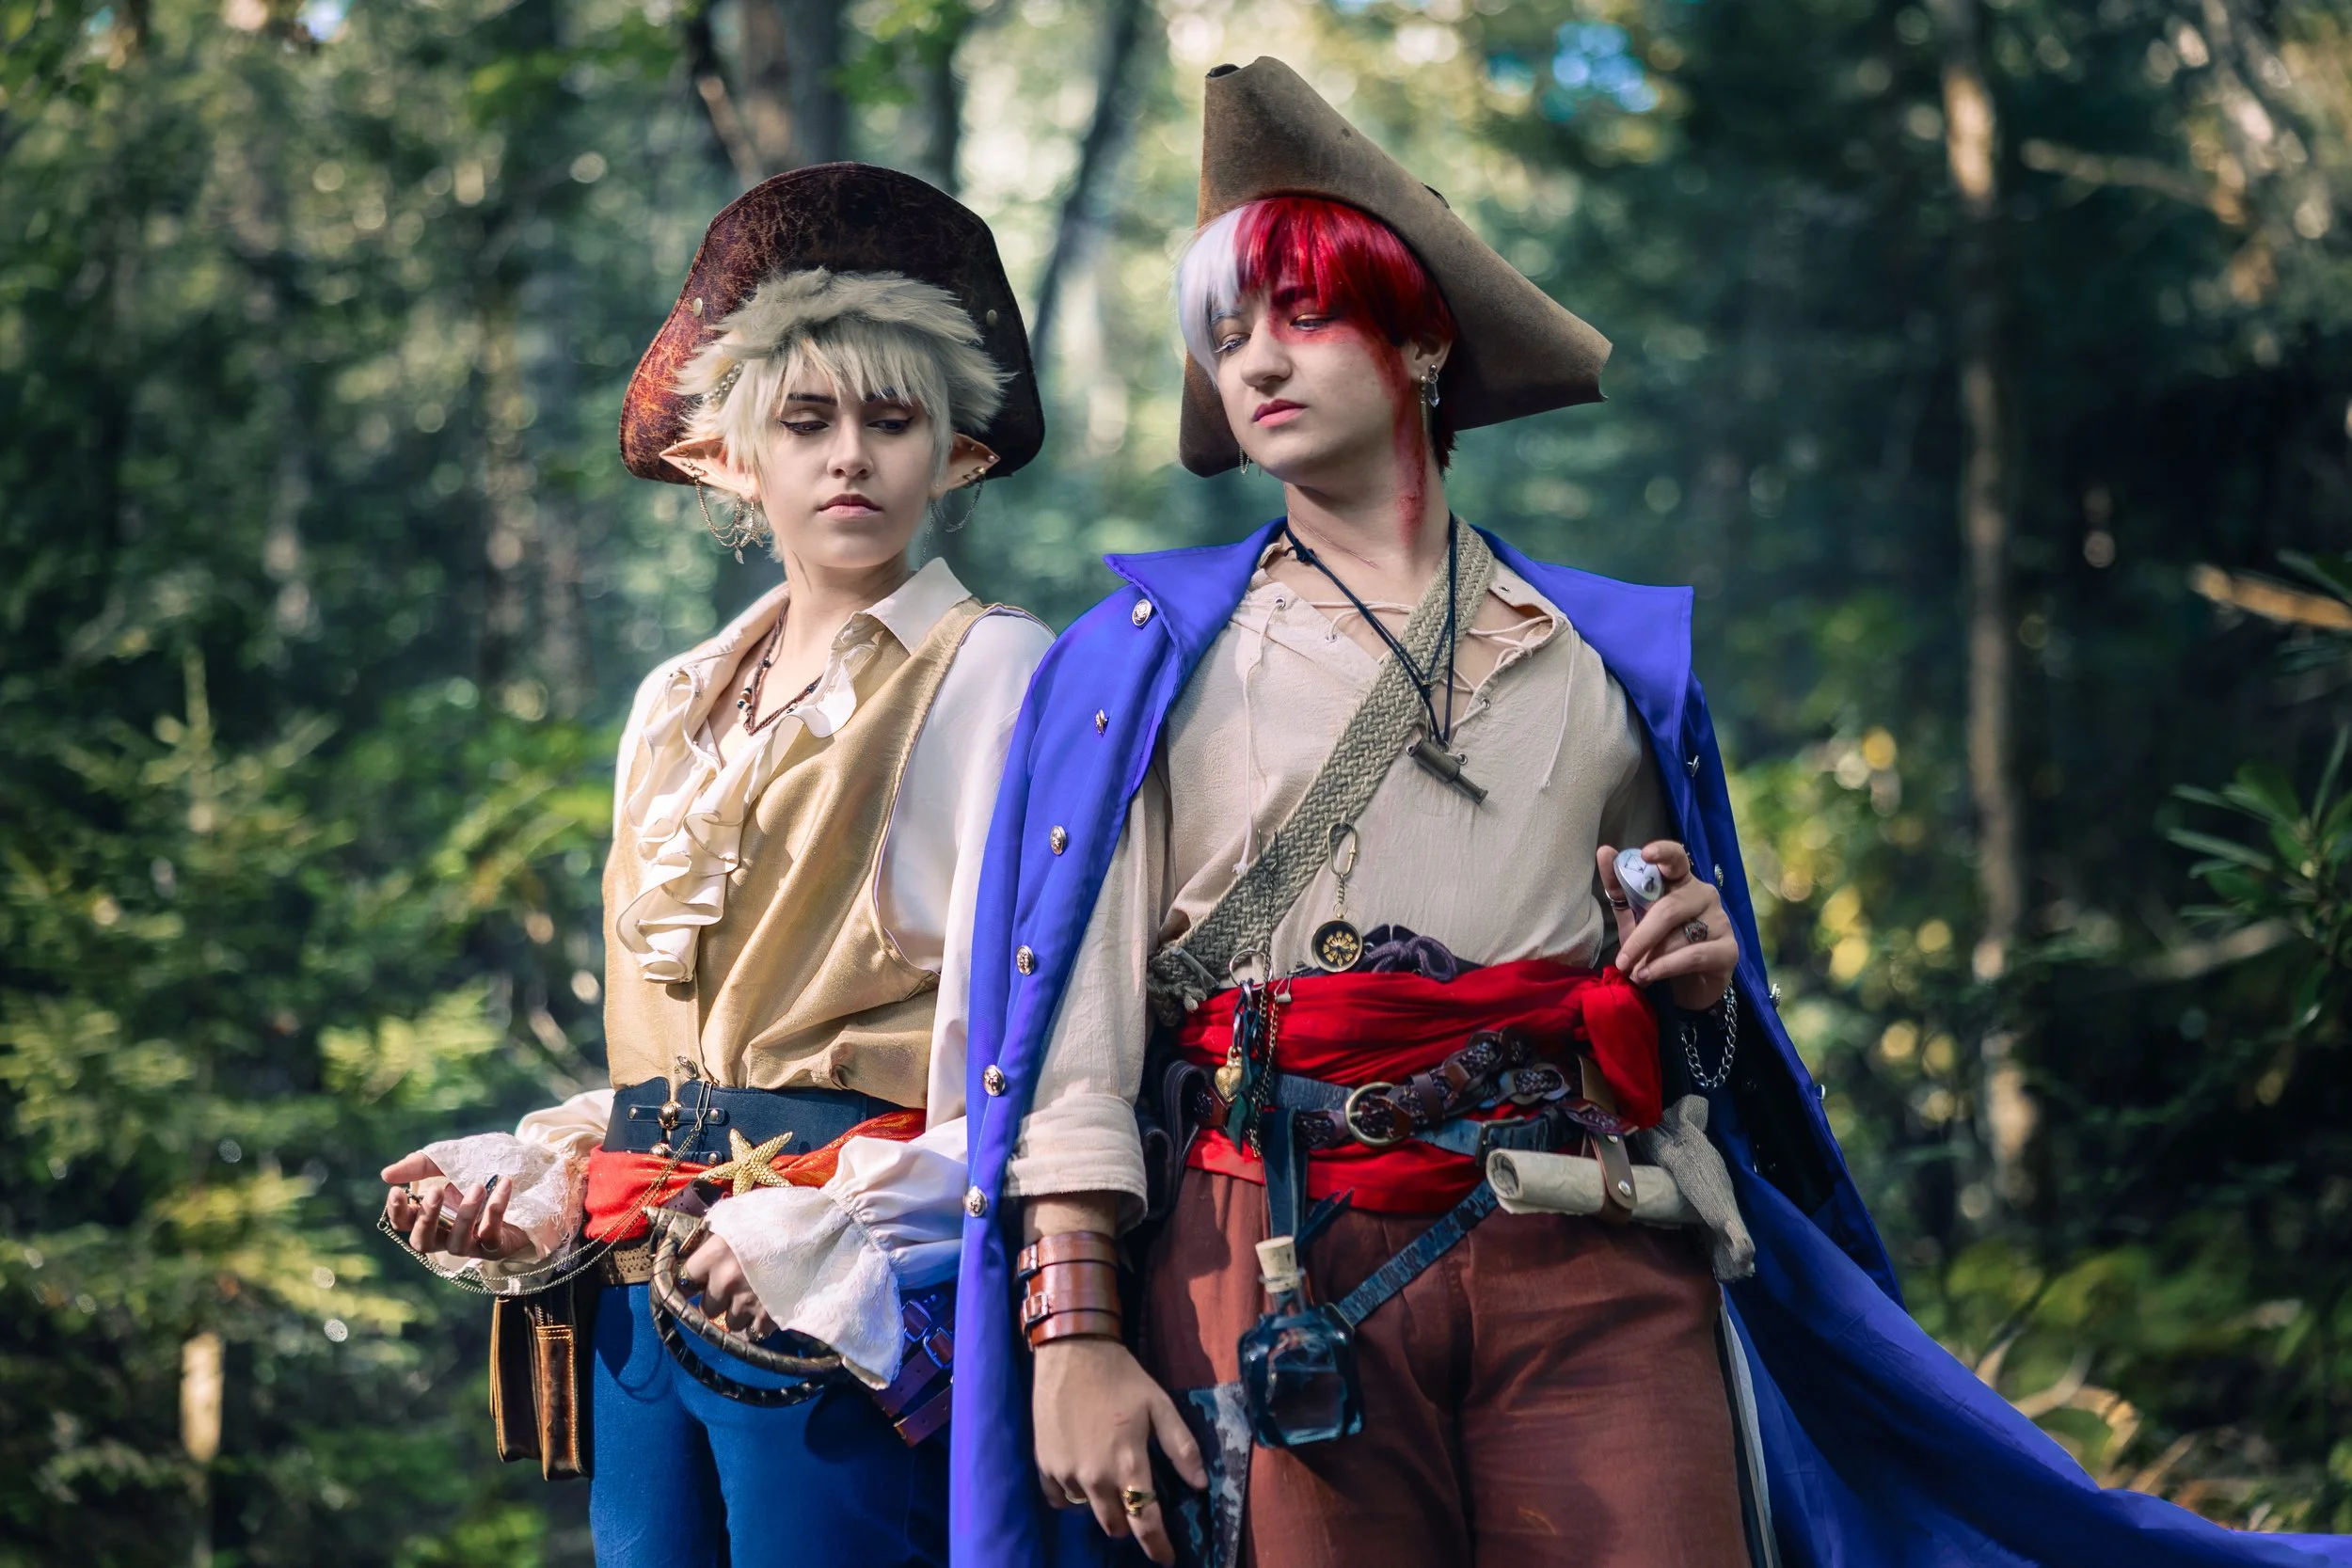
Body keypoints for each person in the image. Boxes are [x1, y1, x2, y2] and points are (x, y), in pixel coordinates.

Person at [949, 57, 2352, 1568]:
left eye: (1305, 313)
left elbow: (1686, 1034)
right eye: (1228, 335)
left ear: (1423, 339)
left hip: (1595, 1240)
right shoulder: (1145, 660)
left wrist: (1695, 990)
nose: (1259, 362)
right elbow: (1071, 1028)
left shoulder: (1608, 664)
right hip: (1275, 1254)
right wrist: (1074, 1328)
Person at [377, 163, 1053, 1568]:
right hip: (633, 1291)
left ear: (955, 452)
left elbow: (1021, 1057)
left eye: (893, 418)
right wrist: (534, 1174)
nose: (850, 456)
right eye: (806, 420)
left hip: (831, 1280)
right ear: (737, 455)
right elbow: (658, 1059)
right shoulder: (676, 695)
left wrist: (842, 1227)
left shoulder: (991, 667)